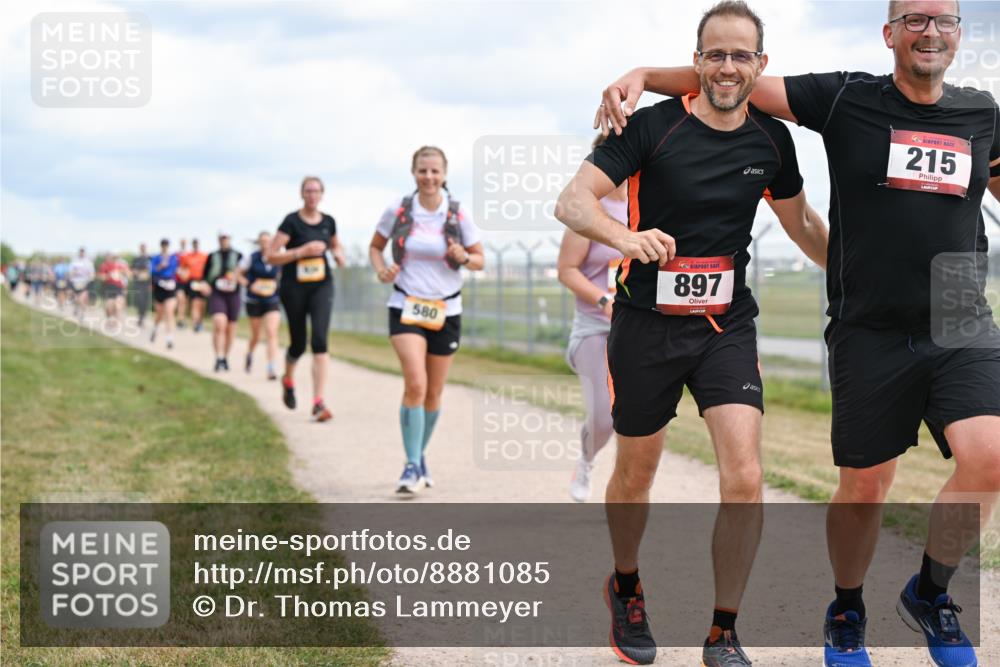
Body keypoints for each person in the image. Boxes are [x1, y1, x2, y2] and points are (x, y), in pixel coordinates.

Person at [595, 2, 1000, 666]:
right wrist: (645, 74)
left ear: (960, 34)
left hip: (959, 311)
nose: (930, 30)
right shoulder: (844, 97)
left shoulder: (981, 113)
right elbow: (734, 75)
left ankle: (930, 591)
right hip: (868, 320)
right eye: (915, 18)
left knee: (991, 455)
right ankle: (847, 609)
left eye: (945, 20)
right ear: (890, 33)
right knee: (866, 485)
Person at [557, 3, 829, 664]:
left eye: (741, 56)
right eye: (715, 54)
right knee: (636, 470)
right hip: (645, 325)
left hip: (725, 324)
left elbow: (803, 228)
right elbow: (572, 201)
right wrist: (627, 238)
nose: (728, 67)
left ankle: (723, 628)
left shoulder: (771, 140)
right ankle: (626, 583)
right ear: (697, 61)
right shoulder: (652, 125)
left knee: (745, 472)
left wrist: (860, 267)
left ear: (760, 66)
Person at [369, 146, 485, 494]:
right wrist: (382, 270)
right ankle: (409, 467)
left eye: (435, 171)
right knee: (416, 384)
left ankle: (418, 456)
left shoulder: (458, 213)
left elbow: (479, 260)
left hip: (446, 310)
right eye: (423, 171)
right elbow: (375, 247)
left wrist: (464, 256)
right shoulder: (399, 209)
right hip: (406, 305)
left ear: (445, 174)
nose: (429, 177)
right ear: (413, 172)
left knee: (434, 393)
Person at [558, 134, 627, 503]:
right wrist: (603, 300)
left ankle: (628, 488)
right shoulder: (589, 210)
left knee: (639, 418)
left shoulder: (645, 202)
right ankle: (586, 459)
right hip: (596, 326)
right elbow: (567, 270)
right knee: (604, 417)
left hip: (640, 327)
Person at [264, 176, 346, 422]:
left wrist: (340, 256)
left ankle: (318, 403)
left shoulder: (329, 222)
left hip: (321, 286)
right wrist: (301, 251)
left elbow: (335, 245)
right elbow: (270, 256)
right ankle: (288, 379)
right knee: (298, 344)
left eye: (316, 191)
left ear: (322, 194)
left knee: (320, 340)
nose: (312, 195)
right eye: (308, 191)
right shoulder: (291, 222)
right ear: (302, 194)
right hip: (294, 288)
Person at [238, 231, 282, 380]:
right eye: (262, 241)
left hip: (272, 300)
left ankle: (271, 368)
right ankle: (249, 354)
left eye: (268, 241)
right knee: (256, 336)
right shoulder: (251, 258)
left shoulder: (278, 257)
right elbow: (237, 275)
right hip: (254, 301)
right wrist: (250, 285)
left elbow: (283, 275)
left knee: (271, 332)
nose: (265, 244)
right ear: (258, 243)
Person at [203, 232, 243, 371]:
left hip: (233, 294)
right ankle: (218, 357)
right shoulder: (212, 256)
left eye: (226, 238)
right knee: (220, 323)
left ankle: (225, 357)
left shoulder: (238, 255)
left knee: (231, 328)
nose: (224, 240)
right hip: (217, 293)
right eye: (221, 238)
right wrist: (206, 285)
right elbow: (205, 275)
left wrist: (238, 278)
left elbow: (244, 274)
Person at [150, 238, 179, 350]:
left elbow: (176, 270)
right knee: (160, 314)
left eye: (166, 245)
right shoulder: (156, 258)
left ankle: (169, 339)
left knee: (169, 312)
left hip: (170, 286)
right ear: (161, 246)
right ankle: (155, 329)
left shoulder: (173, 258)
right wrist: (161, 266)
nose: (165, 247)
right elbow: (152, 270)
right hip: (159, 286)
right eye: (163, 245)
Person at [181, 238, 209, 332]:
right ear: (192, 245)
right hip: (192, 281)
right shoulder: (187, 256)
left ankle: (200, 322)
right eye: (194, 244)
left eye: (197, 244)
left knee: (202, 304)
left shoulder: (204, 256)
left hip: (202, 281)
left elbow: (208, 269)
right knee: (194, 303)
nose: (195, 245)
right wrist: (184, 275)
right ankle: (195, 324)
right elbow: (182, 269)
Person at [98, 252, 130, 326]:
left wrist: (124, 273)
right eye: (113, 257)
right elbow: (102, 278)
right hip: (109, 287)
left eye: (116, 257)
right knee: (108, 306)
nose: (115, 259)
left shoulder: (120, 266)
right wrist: (110, 275)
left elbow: (128, 274)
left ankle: (115, 320)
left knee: (117, 305)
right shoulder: (104, 266)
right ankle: (109, 318)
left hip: (119, 287)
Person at [68, 248, 95, 319]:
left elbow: (92, 273)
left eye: (83, 253)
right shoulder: (74, 261)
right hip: (75, 283)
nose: (82, 254)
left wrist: (90, 280)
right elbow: (70, 272)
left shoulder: (88, 262)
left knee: (82, 299)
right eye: (80, 252)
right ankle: (76, 308)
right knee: (77, 299)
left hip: (85, 283)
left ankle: (82, 314)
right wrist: (72, 276)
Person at [131, 243, 152, 328]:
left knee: (145, 302)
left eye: (144, 247)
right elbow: (132, 270)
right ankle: (140, 315)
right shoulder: (136, 259)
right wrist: (135, 272)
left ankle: (142, 317)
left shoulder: (149, 258)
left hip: (147, 284)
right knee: (139, 300)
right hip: (138, 283)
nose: (143, 249)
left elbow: (152, 271)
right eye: (141, 247)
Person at [175, 238, 190, 328]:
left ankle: (182, 318)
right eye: (182, 242)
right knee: (180, 299)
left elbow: (190, 267)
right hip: (178, 281)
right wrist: (180, 273)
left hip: (187, 281)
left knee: (185, 301)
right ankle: (179, 319)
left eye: (185, 242)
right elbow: (174, 267)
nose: (183, 244)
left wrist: (187, 274)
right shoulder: (176, 255)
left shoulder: (189, 254)